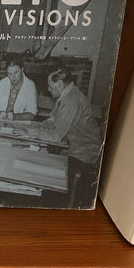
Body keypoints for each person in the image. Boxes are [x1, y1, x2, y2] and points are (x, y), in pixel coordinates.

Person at [17, 66, 103, 200]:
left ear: (61, 84)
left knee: (47, 179)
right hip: (72, 147)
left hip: (83, 155)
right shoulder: (65, 96)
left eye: (50, 86)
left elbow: (57, 136)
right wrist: (32, 126)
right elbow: (52, 121)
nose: (48, 89)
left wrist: (31, 134)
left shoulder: (72, 100)